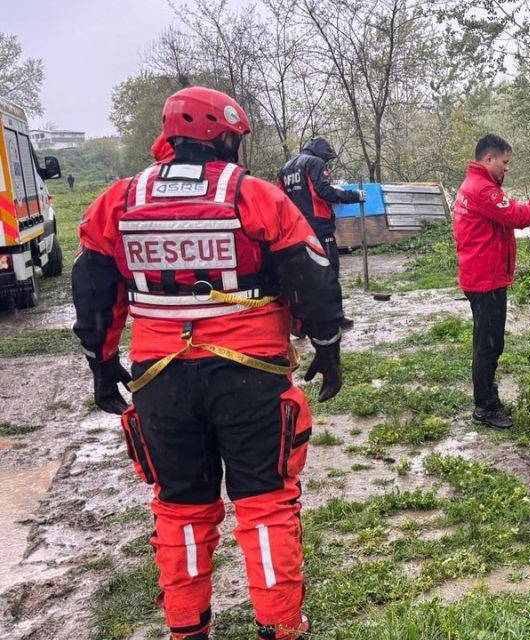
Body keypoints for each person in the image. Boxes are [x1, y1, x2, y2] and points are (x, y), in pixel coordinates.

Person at [72, 86, 344, 640]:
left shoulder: (119, 200)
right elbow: (309, 275)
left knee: (180, 511)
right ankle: (280, 627)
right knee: (265, 507)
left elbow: (94, 288)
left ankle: (187, 628)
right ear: (224, 137)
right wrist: (328, 345)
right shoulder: (253, 195)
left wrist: (103, 365)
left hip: (159, 381)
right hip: (252, 377)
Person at [453, 133, 530, 428]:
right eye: (504, 162)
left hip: (482, 275)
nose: (507, 168)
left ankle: (488, 398)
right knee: (489, 344)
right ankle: (484, 408)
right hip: (485, 279)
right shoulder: (483, 190)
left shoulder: (475, 185)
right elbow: (521, 216)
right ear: (488, 159)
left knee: (487, 341)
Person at [278, 138, 363, 329]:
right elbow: (324, 191)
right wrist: (353, 196)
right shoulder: (314, 163)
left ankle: (300, 322)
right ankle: (335, 317)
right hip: (319, 228)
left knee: (301, 275)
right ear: (321, 153)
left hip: (295, 229)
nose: (327, 164)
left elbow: (281, 198)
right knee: (329, 273)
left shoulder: (285, 169)